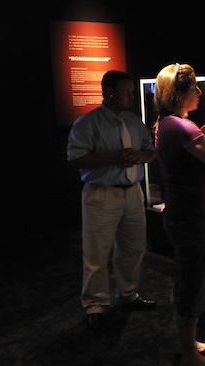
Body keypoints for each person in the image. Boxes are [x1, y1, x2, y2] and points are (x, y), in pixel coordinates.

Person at [153, 63, 205, 366]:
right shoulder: (184, 128)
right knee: (192, 285)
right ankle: (189, 357)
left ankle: (189, 343)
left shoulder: (166, 124)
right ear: (179, 92)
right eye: (194, 87)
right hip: (190, 219)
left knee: (187, 281)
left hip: (180, 216)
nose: (200, 92)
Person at [67, 70, 157, 332]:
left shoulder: (133, 121)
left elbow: (150, 151)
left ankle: (128, 295)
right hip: (101, 194)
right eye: (127, 91)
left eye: (131, 91)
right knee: (97, 252)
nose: (132, 95)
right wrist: (113, 158)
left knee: (133, 247)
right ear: (109, 92)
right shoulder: (87, 123)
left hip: (132, 192)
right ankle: (95, 305)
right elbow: (75, 158)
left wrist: (140, 155)